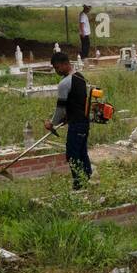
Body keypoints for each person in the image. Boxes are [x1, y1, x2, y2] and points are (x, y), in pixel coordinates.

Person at [45, 50, 92, 187]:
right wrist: (67, 116)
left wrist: (52, 123)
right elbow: (77, 103)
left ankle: (79, 184)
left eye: (57, 67)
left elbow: (60, 108)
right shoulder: (80, 77)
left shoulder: (65, 83)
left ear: (66, 64)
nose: (56, 71)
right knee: (82, 152)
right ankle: (88, 179)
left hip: (77, 124)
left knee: (72, 155)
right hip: (83, 122)